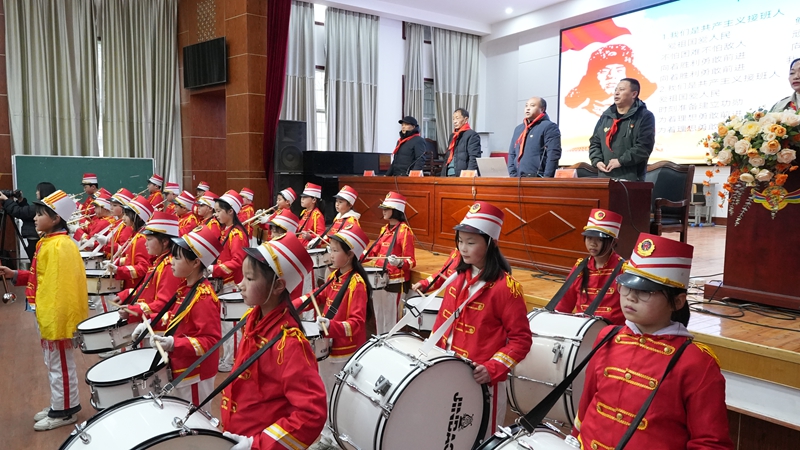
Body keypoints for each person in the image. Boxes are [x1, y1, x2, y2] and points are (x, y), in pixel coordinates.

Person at [572, 233, 733, 449]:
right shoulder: (607, 336)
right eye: (626, 286)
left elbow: (710, 443)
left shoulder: (696, 362)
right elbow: (587, 403)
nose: (631, 297)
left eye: (645, 291)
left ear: (677, 301)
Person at [431, 201, 532, 437]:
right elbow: (442, 325)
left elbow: (521, 340)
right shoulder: (457, 278)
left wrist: (492, 368)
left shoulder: (506, 288)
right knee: (448, 433)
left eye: (471, 242)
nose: (462, 248)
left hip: (482, 381)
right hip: (447, 370)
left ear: (490, 243)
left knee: (480, 436)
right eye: (460, 241)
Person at [220, 234, 327, 450]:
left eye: (250, 279)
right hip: (237, 435)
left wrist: (257, 444)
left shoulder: (289, 343)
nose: (240, 285)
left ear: (278, 286)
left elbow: (312, 413)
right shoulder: (254, 317)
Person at [0, 190, 88, 430]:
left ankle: (65, 411)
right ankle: (58, 404)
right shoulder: (50, 242)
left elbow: (62, 289)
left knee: (60, 366)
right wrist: (16, 275)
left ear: (56, 218)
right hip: (49, 313)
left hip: (57, 317)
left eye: (40, 214)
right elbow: (43, 277)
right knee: (54, 366)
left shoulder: (60, 246)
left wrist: (58, 322)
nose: (35, 218)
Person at [300, 223, 373, 450]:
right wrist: (291, 306)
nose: (329, 254)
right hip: (329, 346)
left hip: (344, 350)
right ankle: (327, 434)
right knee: (326, 392)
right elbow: (317, 297)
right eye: (329, 249)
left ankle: (333, 438)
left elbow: (357, 324)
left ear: (350, 254)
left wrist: (331, 326)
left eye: (334, 250)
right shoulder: (335, 276)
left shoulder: (356, 283)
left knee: (335, 396)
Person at [143, 226, 223, 404]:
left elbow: (210, 341)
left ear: (195, 263)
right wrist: (150, 323)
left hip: (194, 372)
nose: (171, 262)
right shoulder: (186, 288)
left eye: (177, 258)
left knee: (195, 423)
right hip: (182, 367)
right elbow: (175, 318)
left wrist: (174, 343)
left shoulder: (203, 297)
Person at [554, 209, 626, 325]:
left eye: (600, 239)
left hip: (612, 332)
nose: (593, 243)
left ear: (613, 242)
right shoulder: (580, 267)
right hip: (582, 329)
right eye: (589, 238)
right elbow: (565, 302)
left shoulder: (623, 269)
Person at [363, 192, 416, 333]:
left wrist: (399, 263)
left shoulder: (405, 231)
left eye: (386, 208)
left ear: (396, 210)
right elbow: (372, 253)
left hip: (395, 282)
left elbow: (411, 261)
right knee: (379, 315)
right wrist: (360, 255)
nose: (383, 211)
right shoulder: (384, 230)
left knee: (392, 319)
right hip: (378, 279)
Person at [115, 211, 182, 320]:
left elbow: (164, 304)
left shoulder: (169, 266)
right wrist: (128, 293)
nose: (145, 244)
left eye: (149, 240)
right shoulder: (159, 260)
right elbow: (149, 288)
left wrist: (135, 311)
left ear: (165, 241)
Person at [588, 78, 656, 181]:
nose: (616, 93)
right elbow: (595, 142)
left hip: (631, 179)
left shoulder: (644, 116)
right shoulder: (606, 117)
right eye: (616, 90)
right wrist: (597, 160)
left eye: (622, 89)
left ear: (634, 94)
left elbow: (644, 147)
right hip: (604, 178)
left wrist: (620, 161)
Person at [210, 190, 248, 373]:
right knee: (225, 325)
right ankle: (229, 357)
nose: (216, 215)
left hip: (232, 285)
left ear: (231, 211)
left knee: (231, 325)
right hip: (225, 284)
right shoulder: (227, 231)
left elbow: (237, 262)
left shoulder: (236, 235)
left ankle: (233, 359)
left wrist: (215, 269)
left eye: (218, 211)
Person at [565, 44, 657, 117]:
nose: (610, 76)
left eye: (618, 70)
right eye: (604, 71)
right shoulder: (597, 116)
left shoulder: (643, 116)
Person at [108, 195, 156, 292]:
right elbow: (132, 259)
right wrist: (117, 262)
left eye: (126, 215)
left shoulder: (142, 239)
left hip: (135, 287)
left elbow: (143, 268)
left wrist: (119, 270)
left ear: (137, 217)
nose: (123, 218)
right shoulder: (135, 234)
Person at [507, 97, 562, 178]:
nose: (528, 108)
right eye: (526, 106)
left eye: (532, 106)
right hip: (517, 178)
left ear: (542, 109)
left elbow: (553, 154)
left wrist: (547, 178)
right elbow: (512, 153)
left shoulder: (549, 127)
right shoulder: (519, 129)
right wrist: (513, 174)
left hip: (538, 178)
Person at [0, 182, 56, 259]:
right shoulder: (47, 206)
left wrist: (6, 200)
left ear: (43, 192)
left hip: (35, 240)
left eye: (38, 190)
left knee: (36, 263)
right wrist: (21, 200)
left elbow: (19, 212)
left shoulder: (42, 208)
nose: (36, 192)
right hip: (35, 239)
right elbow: (27, 213)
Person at [311, 185, 360, 249]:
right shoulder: (337, 218)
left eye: (340, 202)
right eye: (336, 201)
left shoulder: (351, 220)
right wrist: (317, 241)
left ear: (350, 205)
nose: (337, 204)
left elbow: (349, 242)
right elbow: (331, 236)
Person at [441, 108, 481, 177]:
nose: (455, 121)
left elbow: (474, 157)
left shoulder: (472, 135)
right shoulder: (453, 136)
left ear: (465, 119)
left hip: (461, 174)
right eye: (453, 119)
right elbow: (448, 156)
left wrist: (469, 174)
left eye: (457, 118)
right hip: (448, 173)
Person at [297, 183, 326, 247]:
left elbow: (322, 236)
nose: (302, 199)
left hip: (308, 249)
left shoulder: (317, 215)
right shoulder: (304, 212)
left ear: (314, 200)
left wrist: (310, 236)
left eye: (305, 197)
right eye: (302, 197)